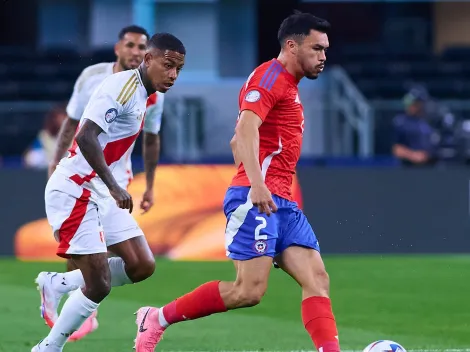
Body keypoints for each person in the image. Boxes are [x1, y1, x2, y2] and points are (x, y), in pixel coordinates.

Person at [134, 11, 341, 352]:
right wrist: (256, 183)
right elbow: (246, 129)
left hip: (282, 201)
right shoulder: (270, 77)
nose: (323, 57)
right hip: (257, 197)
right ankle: (156, 318)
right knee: (248, 292)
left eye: (325, 49)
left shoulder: (287, 83)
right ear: (292, 45)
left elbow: (236, 142)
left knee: (317, 279)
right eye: (317, 48)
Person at [31, 32, 186, 352]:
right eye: (168, 65)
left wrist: (117, 187)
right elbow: (85, 135)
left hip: (100, 191)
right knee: (99, 284)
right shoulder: (123, 87)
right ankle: (48, 348)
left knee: (142, 265)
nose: (172, 75)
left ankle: (57, 283)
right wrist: (115, 186)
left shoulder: (147, 92)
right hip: (76, 190)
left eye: (178, 70)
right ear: (149, 60)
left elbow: (147, 139)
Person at [23, 104, 67, 169]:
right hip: (47, 165)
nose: (63, 120)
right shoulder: (45, 135)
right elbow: (29, 157)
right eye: (60, 117)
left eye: (65, 117)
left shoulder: (73, 134)